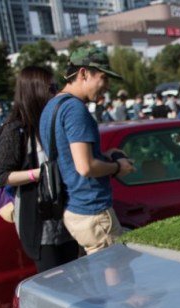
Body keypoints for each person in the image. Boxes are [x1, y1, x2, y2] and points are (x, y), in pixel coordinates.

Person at [39, 46, 135, 255]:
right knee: (118, 281)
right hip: (93, 211)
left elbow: (68, 158)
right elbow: (85, 167)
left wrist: (104, 156)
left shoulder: (52, 106)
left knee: (101, 279)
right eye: (103, 78)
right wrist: (117, 166)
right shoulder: (75, 109)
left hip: (73, 208)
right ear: (83, 73)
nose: (107, 86)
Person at [0, 66, 79, 272]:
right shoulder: (16, 129)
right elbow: (1, 176)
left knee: (78, 278)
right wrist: (39, 173)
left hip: (67, 213)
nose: (55, 92)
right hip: (39, 221)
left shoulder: (53, 121)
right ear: (35, 90)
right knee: (54, 282)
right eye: (51, 87)